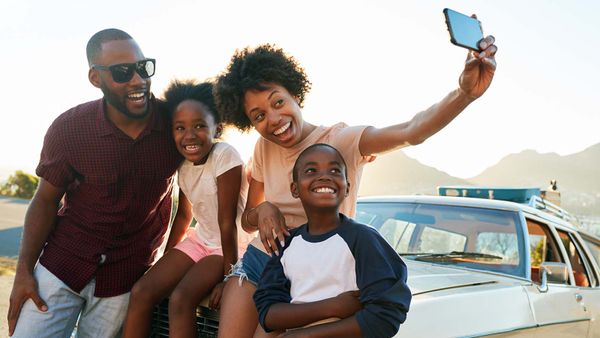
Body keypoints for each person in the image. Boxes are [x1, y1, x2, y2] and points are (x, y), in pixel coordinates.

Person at [214, 34, 497, 337]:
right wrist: (264, 209)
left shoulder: (340, 140)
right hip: (259, 264)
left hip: (313, 278)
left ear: (295, 94)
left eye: (278, 102)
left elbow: (412, 131)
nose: (273, 119)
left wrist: (465, 94)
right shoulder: (263, 148)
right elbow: (248, 220)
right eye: (259, 116)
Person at [7, 28, 183, 337]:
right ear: (95, 78)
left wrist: (167, 266)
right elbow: (45, 200)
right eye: (122, 72)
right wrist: (23, 272)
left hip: (126, 274)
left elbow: (194, 196)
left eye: (143, 67)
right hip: (61, 264)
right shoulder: (69, 129)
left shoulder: (175, 126)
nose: (137, 80)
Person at [121, 80, 254, 338]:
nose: (189, 135)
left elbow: (227, 223)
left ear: (217, 126)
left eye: (199, 126)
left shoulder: (225, 155)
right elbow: (184, 215)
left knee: (181, 299)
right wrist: (168, 259)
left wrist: (229, 278)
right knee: (141, 292)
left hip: (230, 247)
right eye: (180, 128)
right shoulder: (182, 164)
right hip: (200, 240)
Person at [253, 143, 411, 337]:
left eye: (335, 170)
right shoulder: (287, 245)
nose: (324, 176)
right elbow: (268, 313)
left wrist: (304, 336)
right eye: (311, 170)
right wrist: (333, 307)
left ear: (347, 187)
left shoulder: (363, 239)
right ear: (295, 189)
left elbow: (385, 315)